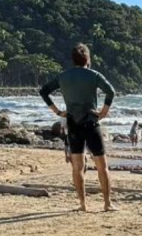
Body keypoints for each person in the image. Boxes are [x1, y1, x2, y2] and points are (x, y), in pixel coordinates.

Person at [39, 43, 116, 212]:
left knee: (77, 167)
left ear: (73, 59)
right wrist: (103, 112)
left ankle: (82, 204)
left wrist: (58, 112)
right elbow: (111, 91)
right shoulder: (93, 75)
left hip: (73, 122)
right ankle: (107, 204)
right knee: (102, 165)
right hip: (91, 121)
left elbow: (44, 91)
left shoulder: (63, 76)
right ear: (87, 59)